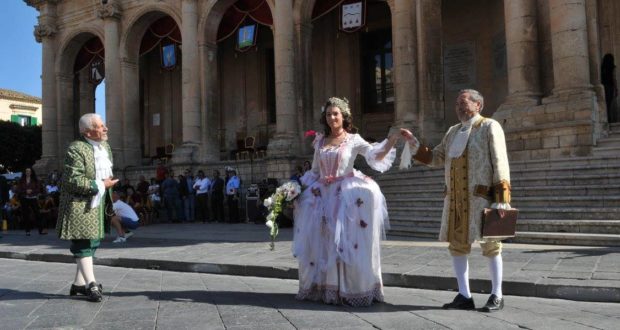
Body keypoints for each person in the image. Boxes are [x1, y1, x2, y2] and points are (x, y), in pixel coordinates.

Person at [400, 89, 511, 312]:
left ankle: (497, 295)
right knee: (457, 246)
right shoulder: (452, 132)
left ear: (478, 105)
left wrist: (502, 198)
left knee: (492, 245)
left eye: (464, 103)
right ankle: (464, 295)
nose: (459, 107)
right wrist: (414, 144)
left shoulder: (490, 126)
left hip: (483, 198)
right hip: (456, 201)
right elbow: (437, 157)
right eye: (457, 104)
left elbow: (500, 161)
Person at [293, 96, 397, 306]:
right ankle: (325, 288)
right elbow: (314, 171)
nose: (332, 117)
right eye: (329, 114)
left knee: (347, 244)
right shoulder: (320, 141)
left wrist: (392, 140)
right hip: (321, 197)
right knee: (323, 243)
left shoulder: (353, 139)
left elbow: (375, 155)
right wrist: (296, 189)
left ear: (344, 116)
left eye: (336, 114)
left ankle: (350, 288)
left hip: (345, 197)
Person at [56, 113, 118, 302]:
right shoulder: (76, 149)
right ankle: (91, 285)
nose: (105, 128)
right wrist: (101, 185)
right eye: (100, 126)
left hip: (98, 203)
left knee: (92, 243)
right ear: (88, 132)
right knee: (83, 244)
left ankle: (78, 285)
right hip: (79, 205)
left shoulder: (105, 146)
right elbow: (73, 180)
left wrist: (107, 187)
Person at [17, 168, 44, 235]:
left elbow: (38, 189)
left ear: (31, 172)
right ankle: (27, 231)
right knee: (26, 215)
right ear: (25, 172)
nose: (28, 172)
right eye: (26, 171)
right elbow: (19, 190)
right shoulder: (21, 180)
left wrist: (32, 191)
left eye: (29, 171)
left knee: (37, 214)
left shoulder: (35, 180)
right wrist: (25, 191)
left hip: (33, 198)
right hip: (24, 198)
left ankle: (41, 230)